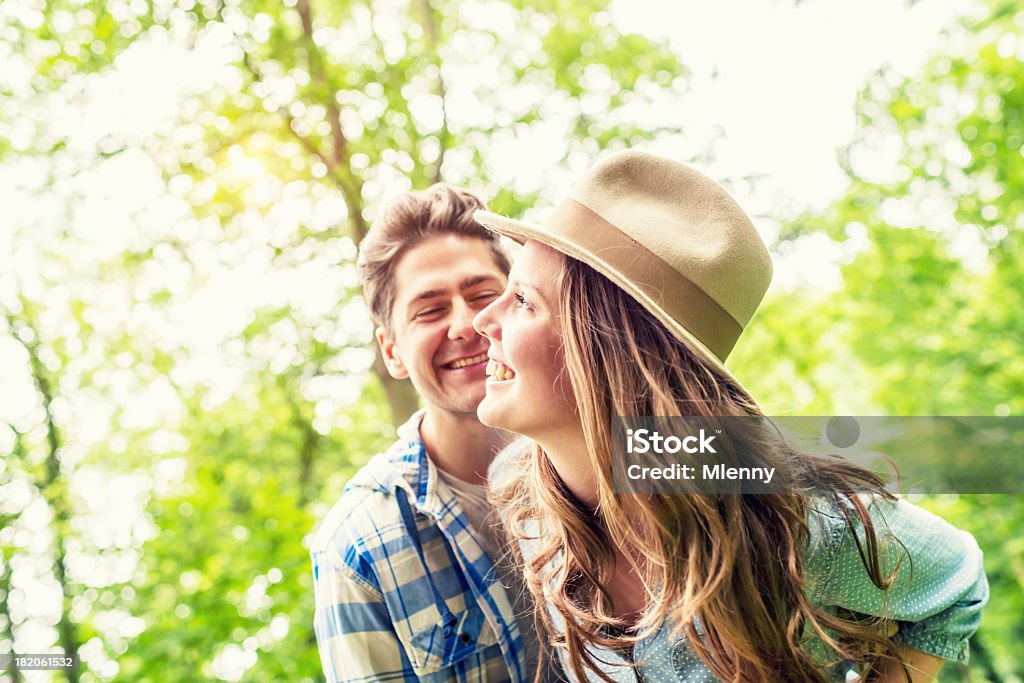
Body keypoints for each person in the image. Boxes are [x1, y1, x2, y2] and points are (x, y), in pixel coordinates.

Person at [469, 150, 988, 682]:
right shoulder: (524, 496)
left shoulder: (784, 520)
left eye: (524, 301)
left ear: (611, 352)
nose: (483, 319)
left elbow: (957, 577)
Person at [310, 184, 547, 682]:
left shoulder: (606, 451)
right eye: (430, 310)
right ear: (392, 351)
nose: (467, 324)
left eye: (484, 295)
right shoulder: (356, 550)